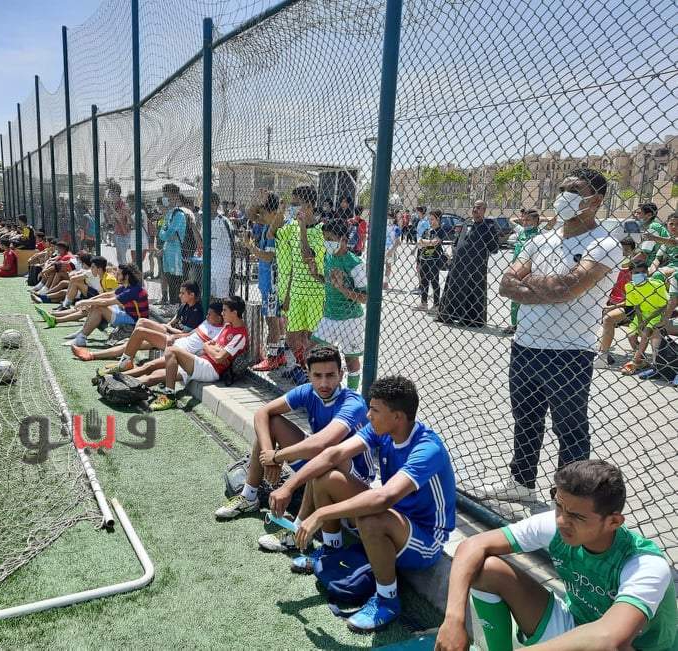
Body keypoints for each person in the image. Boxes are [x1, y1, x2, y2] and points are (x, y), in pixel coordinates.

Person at [270, 375, 456, 633]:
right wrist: (288, 486)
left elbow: (383, 498)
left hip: (425, 540)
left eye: (375, 410)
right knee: (326, 478)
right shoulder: (384, 430)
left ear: (397, 417)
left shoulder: (427, 449)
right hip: (396, 518)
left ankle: (387, 600)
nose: (368, 415)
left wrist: (321, 513)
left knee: (372, 516)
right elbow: (333, 454)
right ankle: (331, 553)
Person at [480, 168, 623, 502]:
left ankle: (568, 497)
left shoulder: (604, 244)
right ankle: (521, 483)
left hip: (570, 351)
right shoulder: (540, 240)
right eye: (562, 189)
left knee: (569, 428)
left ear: (596, 200)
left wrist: (537, 285)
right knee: (526, 419)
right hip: (525, 344)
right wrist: (554, 287)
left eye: (574, 190)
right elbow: (506, 284)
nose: (564, 196)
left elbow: (567, 289)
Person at [436, 460, 676, 651]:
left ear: (613, 521)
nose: (562, 520)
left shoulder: (645, 565)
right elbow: (472, 545)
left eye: (577, 516)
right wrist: (454, 619)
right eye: (559, 505)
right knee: (486, 569)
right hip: (576, 625)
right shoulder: (557, 525)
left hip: (624, 645)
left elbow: (608, 638)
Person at [215, 346, 373, 528]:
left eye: (330, 375)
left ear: (341, 374)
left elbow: (323, 444)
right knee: (272, 422)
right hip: (322, 461)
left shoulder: (352, 403)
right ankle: (249, 496)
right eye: (317, 375)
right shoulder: (307, 391)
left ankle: (298, 528)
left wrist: (277, 456)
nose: (324, 383)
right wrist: (268, 457)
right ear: (308, 373)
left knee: (328, 454)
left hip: (354, 478)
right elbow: (262, 413)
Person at [148, 296, 248, 411]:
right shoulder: (227, 325)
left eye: (225, 310)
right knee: (152, 374)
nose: (222, 313)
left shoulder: (240, 335)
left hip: (211, 369)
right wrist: (211, 348)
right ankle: (130, 385)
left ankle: (170, 397)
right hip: (201, 361)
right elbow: (211, 345)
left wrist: (210, 348)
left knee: (171, 350)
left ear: (234, 313)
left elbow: (219, 357)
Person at [88, 281, 205, 368]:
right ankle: (94, 355)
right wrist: (167, 326)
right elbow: (174, 320)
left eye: (182, 293)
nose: (179, 295)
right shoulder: (185, 305)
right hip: (168, 333)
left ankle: (101, 355)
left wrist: (167, 328)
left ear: (191, 295)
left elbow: (186, 334)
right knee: (134, 338)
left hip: (175, 339)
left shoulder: (197, 311)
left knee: (139, 329)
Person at [308, 218, 367, 390]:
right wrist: (316, 275)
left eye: (331, 239)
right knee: (313, 351)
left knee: (351, 361)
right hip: (329, 316)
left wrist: (342, 289)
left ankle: (351, 394)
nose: (327, 243)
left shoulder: (355, 264)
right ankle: (328, 388)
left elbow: (365, 298)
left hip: (351, 320)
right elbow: (329, 282)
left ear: (344, 240)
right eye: (325, 238)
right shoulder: (328, 256)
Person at [277, 185, 325, 385]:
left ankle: (312, 375)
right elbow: (272, 234)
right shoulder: (292, 227)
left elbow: (307, 258)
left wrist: (303, 229)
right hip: (296, 292)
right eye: (292, 203)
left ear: (310, 205)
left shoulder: (321, 231)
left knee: (312, 340)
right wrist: (288, 293)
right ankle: (297, 368)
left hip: (316, 294)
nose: (293, 207)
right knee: (292, 337)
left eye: (297, 203)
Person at [436, 200, 500, 328]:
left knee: (471, 290)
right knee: (453, 288)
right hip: (458, 264)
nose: (475, 210)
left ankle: (470, 320)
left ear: (484, 210)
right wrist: (453, 251)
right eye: (474, 207)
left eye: (478, 208)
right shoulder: (467, 223)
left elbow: (494, 248)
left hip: (475, 267)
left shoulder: (489, 226)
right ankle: (448, 315)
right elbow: (457, 240)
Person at [247, 191, 287, 371]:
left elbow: (269, 256)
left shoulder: (276, 230)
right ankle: (279, 353)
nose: (259, 216)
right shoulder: (267, 225)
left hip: (272, 282)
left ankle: (272, 357)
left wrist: (250, 247)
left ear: (272, 213)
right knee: (276, 318)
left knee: (272, 320)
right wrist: (257, 201)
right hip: (267, 281)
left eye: (263, 212)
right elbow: (251, 214)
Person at [68, 263, 149, 348]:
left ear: (127, 276)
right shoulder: (127, 286)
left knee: (99, 307)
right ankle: (81, 334)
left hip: (135, 321)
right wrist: (90, 300)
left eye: (119, 274)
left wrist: (84, 302)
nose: (116, 276)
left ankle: (81, 337)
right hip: (129, 315)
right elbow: (108, 295)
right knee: (95, 305)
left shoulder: (132, 290)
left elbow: (106, 302)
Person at [503, 208, 554, 335]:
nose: (525, 223)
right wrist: (524, 217)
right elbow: (511, 220)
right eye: (524, 220)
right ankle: (515, 324)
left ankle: (528, 326)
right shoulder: (521, 231)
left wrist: (540, 219)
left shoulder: (540, 232)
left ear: (535, 222)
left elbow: (553, 221)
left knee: (530, 297)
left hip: (532, 270)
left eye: (528, 220)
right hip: (517, 269)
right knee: (515, 297)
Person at [593, 237, 637, 368]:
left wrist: (612, 306)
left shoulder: (636, 269)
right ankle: (598, 350)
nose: (623, 253)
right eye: (621, 250)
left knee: (608, 319)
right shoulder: (611, 267)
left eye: (627, 250)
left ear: (633, 252)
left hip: (628, 305)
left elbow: (634, 298)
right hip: (610, 303)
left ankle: (602, 356)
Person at [619, 260, 669, 376]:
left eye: (643, 272)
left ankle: (635, 362)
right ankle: (642, 360)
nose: (640, 275)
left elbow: (663, 306)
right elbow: (636, 305)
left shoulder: (657, 285)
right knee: (631, 336)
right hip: (641, 314)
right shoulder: (630, 286)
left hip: (656, 314)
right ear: (631, 273)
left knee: (645, 333)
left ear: (647, 272)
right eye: (636, 272)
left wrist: (646, 321)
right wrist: (641, 320)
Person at [158, 184, 187, 303]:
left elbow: (169, 233)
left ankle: (177, 305)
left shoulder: (179, 214)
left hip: (176, 252)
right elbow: (161, 234)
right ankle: (172, 304)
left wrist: (166, 234)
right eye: (164, 195)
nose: (164, 198)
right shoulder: (169, 213)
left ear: (174, 196)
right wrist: (166, 234)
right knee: (169, 279)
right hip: (167, 251)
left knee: (177, 280)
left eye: (166, 195)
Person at [415, 209, 444, 312]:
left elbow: (435, 242)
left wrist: (425, 242)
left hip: (434, 259)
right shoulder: (428, 230)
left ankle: (436, 305)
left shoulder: (440, 231)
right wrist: (428, 242)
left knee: (434, 281)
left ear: (438, 219)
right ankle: (424, 303)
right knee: (424, 281)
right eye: (429, 219)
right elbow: (419, 242)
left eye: (432, 219)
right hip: (424, 258)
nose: (430, 221)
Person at [209, 192, 234, 298]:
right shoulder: (206, 221)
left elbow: (233, 241)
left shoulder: (224, 221)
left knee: (222, 297)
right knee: (211, 296)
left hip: (222, 266)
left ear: (215, 204)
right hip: (210, 264)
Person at [647, 211, 678, 278]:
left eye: (677, 224)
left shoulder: (668, 241)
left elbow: (674, 242)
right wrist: (652, 271)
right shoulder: (665, 243)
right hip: (670, 268)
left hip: (675, 268)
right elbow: (657, 259)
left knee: (659, 274)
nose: (674, 226)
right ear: (667, 225)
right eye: (671, 224)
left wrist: (654, 238)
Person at [636, 202, 667, 267]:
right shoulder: (653, 225)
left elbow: (644, 255)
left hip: (654, 264)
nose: (635, 215)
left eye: (639, 213)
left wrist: (627, 264)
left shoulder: (652, 227)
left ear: (649, 215)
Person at [108, 182, 132, 266]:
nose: (110, 194)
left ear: (117, 192)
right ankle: (122, 271)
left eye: (111, 192)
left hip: (124, 235)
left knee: (122, 258)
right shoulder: (114, 204)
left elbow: (119, 217)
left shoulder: (122, 204)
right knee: (119, 258)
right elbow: (112, 221)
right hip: (118, 234)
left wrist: (111, 208)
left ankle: (125, 272)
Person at [383, 213, 403, 290]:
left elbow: (398, 242)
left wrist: (391, 251)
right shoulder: (383, 226)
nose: (388, 220)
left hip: (390, 250)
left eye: (390, 218)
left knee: (388, 266)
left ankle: (386, 283)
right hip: (382, 249)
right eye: (387, 218)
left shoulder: (396, 228)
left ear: (394, 219)